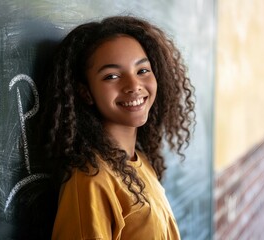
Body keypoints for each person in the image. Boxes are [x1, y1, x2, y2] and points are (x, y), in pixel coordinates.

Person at [42, 15, 195, 239]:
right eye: (111, 76)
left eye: (142, 70)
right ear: (86, 92)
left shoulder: (139, 161)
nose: (133, 86)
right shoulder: (91, 180)